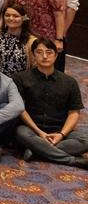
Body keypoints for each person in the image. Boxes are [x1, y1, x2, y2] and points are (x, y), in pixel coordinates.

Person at [12, 39, 88, 168]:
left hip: (59, 129)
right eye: (39, 52)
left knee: (86, 140)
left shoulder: (69, 82)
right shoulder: (20, 78)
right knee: (20, 133)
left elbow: (74, 113)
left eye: (49, 52)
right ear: (33, 55)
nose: (45, 56)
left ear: (56, 55)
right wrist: (40, 133)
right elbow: (20, 109)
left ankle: (36, 151)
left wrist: (61, 134)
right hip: (31, 129)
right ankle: (71, 160)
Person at [7, 0, 65, 70]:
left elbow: (58, 13)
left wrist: (59, 39)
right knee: (25, 67)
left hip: (47, 36)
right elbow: (10, 12)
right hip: (23, 36)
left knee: (46, 67)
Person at [0, 4, 37, 76]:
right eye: (7, 15)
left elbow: (35, 66)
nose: (11, 18)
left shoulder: (31, 41)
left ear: (24, 18)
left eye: (16, 16)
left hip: (21, 82)